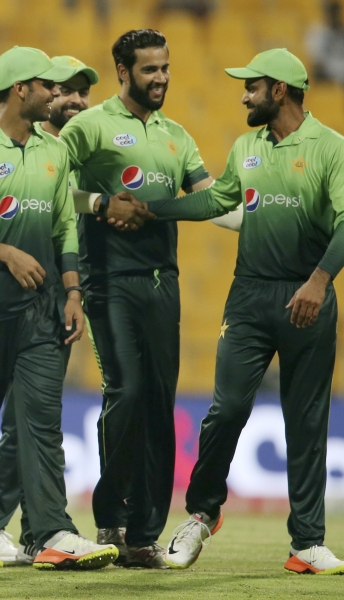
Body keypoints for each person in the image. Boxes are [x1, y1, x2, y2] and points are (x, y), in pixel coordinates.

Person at [146, 49, 344, 575]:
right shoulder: (245, 146)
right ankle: (202, 515)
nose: (243, 95)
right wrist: (154, 208)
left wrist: (319, 281)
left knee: (305, 423)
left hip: (309, 296)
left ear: (279, 90)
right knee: (227, 409)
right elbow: (218, 202)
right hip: (250, 296)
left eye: (251, 86)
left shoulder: (331, 148)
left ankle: (306, 543)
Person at [0, 46, 117, 570]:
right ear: (20, 90)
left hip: (43, 311)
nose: (56, 94)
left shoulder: (53, 153)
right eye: (46, 86)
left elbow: (63, 229)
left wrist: (74, 292)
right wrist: (5, 253)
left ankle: (49, 531)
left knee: (41, 422)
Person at [57, 29, 215, 568]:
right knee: (124, 390)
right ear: (123, 72)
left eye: (165, 68)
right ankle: (112, 515)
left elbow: (209, 199)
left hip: (161, 282)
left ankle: (145, 531)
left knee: (157, 400)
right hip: (109, 280)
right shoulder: (90, 125)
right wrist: (100, 202)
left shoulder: (178, 136)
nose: (161, 78)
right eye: (150, 70)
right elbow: (49, 182)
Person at [0, 55, 99, 567]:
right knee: (32, 417)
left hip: (63, 289)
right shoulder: (31, 148)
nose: (73, 99)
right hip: (18, 295)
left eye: (81, 93)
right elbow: (48, 203)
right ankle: (23, 526)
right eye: (63, 89)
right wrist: (100, 202)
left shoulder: (79, 145)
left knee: (31, 418)